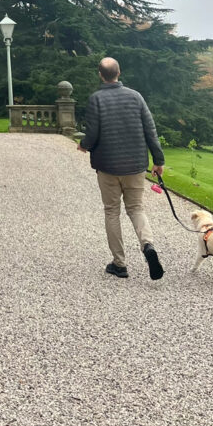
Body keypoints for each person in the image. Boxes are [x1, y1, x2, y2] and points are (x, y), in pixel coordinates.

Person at [77, 57, 165, 280]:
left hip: (107, 166)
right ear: (119, 72)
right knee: (136, 208)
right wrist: (158, 160)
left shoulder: (96, 99)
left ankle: (120, 263)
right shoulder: (136, 97)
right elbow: (150, 130)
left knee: (112, 211)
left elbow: (93, 132)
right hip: (135, 166)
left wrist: (84, 145)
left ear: (100, 74)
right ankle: (148, 246)